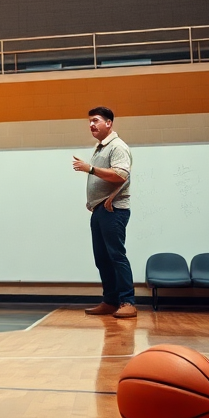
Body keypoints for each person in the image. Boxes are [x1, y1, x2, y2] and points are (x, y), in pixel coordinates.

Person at [72, 107, 135, 318]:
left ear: (109, 123)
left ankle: (128, 302)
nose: (91, 124)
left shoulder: (117, 147)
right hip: (100, 209)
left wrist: (90, 169)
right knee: (102, 258)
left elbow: (121, 175)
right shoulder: (100, 147)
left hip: (113, 210)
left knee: (116, 256)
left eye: (96, 120)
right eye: (90, 121)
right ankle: (110, 301)